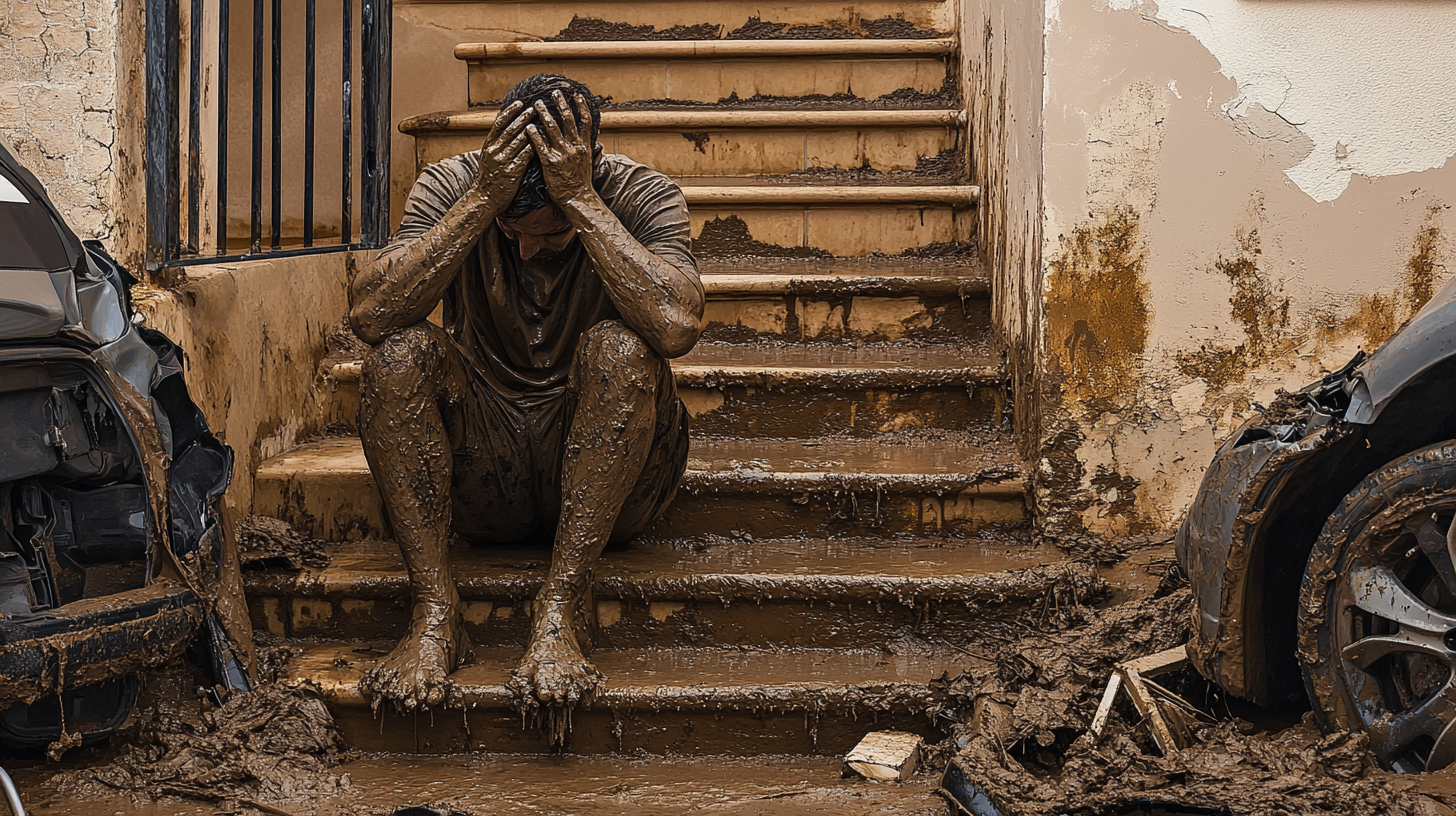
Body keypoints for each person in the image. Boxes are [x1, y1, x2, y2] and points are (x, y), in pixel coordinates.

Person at [347, 73, 703, 715]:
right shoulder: (461, 186)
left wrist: (581, 205)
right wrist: (485, 200)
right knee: (396, 356)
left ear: (590, 167)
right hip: (489, 469)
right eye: (516, 234)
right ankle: (435, 610)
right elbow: (372, 314)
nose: (530, 248)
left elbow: (676, 326)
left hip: (613, 484)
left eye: (549, 232)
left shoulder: (642, 193)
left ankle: (562, 603)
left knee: (623, 350)